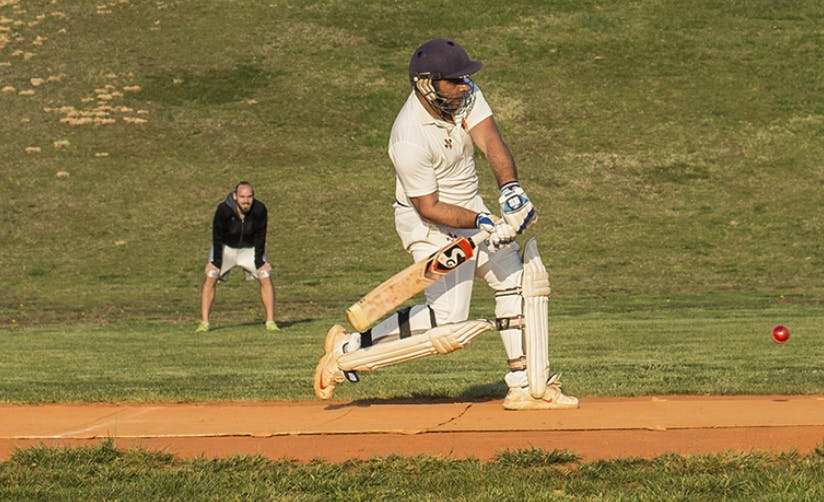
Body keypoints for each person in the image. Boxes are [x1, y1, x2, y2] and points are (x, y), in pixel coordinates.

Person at [313, 38, 578, 410]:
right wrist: (483, 220)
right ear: (426, 84)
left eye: (464, 79)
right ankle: (347, 351)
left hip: (470, 210)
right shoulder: (408, 137)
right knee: (448, 319)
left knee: (515, 280)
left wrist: (510, 191)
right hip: (429, 225)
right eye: (454, 80)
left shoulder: (464, 96)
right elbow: (429, 206)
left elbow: (491, 140)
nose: (463, 85)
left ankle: (523, 386)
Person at [195, 181, 280, 332]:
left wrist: (260, 261)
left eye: (249, 197)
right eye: (242, 197)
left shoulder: (260, 209)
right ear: (235, 196)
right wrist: (215, 261)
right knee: (211, 277)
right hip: (226, 248)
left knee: (265, 276)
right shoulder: (224, 210)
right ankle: (205, 323)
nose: (246, 200)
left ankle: (270, 322)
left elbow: (261, 235)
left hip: (250, 249)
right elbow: (217, 235)